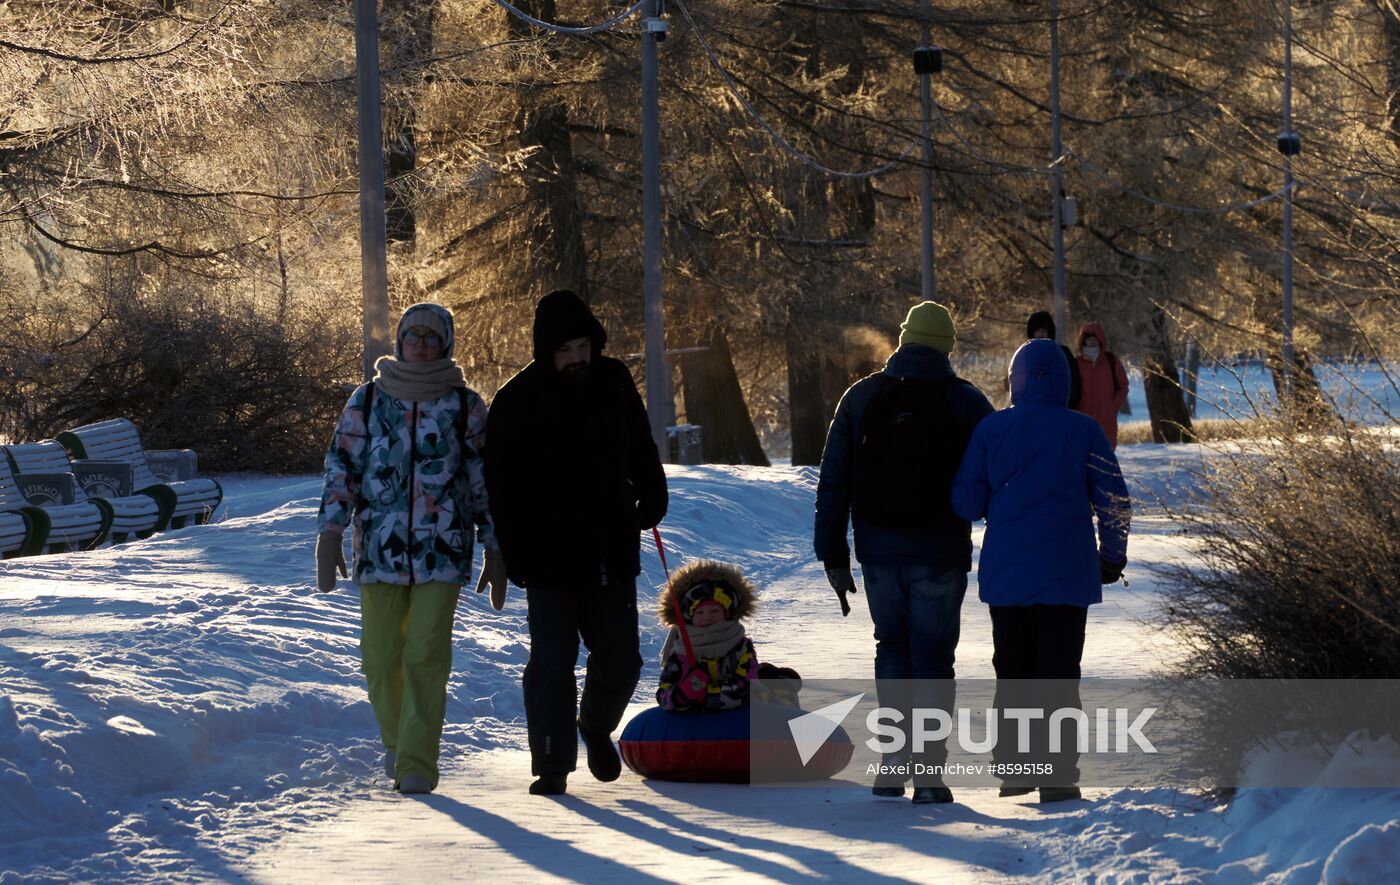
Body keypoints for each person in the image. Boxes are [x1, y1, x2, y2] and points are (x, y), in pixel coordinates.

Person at [316, 302, 507, 795]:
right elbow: (343, 464)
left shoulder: (466, 405)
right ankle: (398, 741)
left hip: (443, 548)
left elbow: (484, 479)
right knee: (379, 656)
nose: (420, 343)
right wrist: (331, 532)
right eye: (412, 334)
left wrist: (495, 545)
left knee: (426, 653)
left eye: (431, 336)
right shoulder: (368, 399)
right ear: (398, 342)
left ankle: (417, 761)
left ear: (445, 345)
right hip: (379, 547)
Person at [484, 289, 668, 797]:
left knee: (621, 658)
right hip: (545, 555)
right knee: (552, 661)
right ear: (547, 350)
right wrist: (512, 550)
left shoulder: (613, 381)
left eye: (583, 347)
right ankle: (552, 763)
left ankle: (594, 724)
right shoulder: (516, 399)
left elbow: (640, 445)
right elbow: (501, 483)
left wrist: (653, 494)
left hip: (610, 546)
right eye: (565, 351)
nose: (577, 358)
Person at [813, 301, 994, 805]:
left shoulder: (863, 396)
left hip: (879, 549)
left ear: (903, 340)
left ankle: (892, 765)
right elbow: (995, 475)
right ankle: (930, 776)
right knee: (933, 658)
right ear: (947, 348)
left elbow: (834, 480)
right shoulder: (965, 401)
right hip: (940, 550)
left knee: (891, 648)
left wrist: (832, 552)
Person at [951, 338, 1131, 804]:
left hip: (1007, 573)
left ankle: (1015, 768)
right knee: (1058, 671)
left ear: (1016, 380)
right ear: (1067, 382)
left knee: (1013, 669)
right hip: (1068, 571)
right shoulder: (1085, 431)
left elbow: (966, 503)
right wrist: (1111, 556)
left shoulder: (992, 431)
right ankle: (1057, 774)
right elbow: (1113, 500)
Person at [656, 560, 759, 712]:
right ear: (689, 616)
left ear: (727, 613)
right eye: (700, 612)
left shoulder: (741, 648)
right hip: (690, 727)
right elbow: (663, 693)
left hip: (734, 722)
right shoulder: (680, 651)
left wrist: (705, 697)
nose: (707, 618)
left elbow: (748, 688)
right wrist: (681, 695)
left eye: (715, 611)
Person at [1074, 322, 1130, 449]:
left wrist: (1113, 405)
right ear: (1083, 341)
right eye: (1088, 339)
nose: (1092, 342)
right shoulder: (1076, 363)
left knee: (1105, 460)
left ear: (1100, 339)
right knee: (1084, 459)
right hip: (1082, 420)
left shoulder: (1111, 361)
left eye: (1095, 339)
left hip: (1106, 421)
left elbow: (1123, 385)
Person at [1025, 310, 1082, 409]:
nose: (1041, 334)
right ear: (1032, 332)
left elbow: (1075, 384)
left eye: (1044, 330)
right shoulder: (1025, 354)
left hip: (1059, 411)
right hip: (1032, 412)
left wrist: (1067, 407)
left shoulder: (1063, 353)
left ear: (1050, 331)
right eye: (1037, 330)